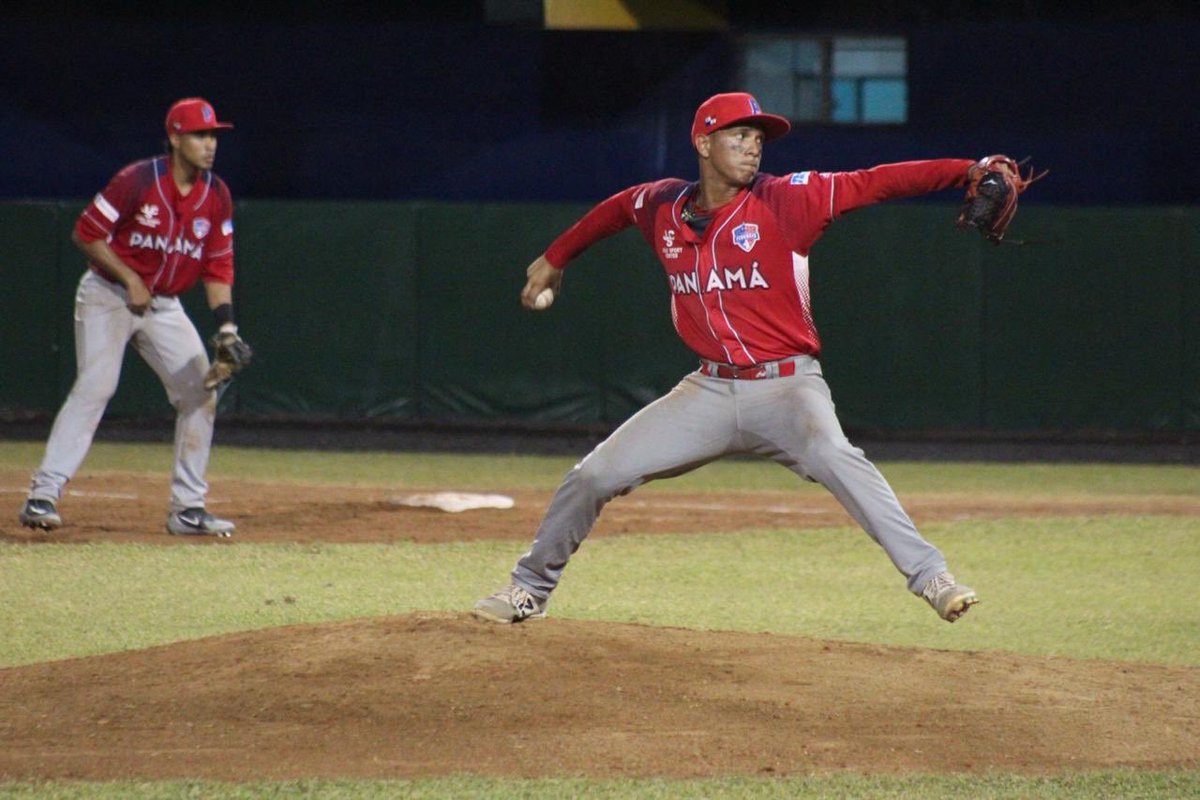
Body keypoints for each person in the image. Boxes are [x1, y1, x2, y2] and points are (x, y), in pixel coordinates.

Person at [475, 92, 984, 624]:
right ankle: (528, 589)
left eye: (758, 139)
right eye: (738, 136)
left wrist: (965, 171)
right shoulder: (663, 207)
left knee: (838, 458)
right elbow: (620, 207)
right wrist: (556, 256)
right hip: (708, 392)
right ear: (703, 142)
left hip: (788, 388)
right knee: (593, 475)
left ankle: (934, 578)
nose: (752, 148)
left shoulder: (787, 200)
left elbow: (875, 180)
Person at [18, 97, 251, 537]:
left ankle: (187, 508)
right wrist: (128, 278)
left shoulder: (216, 195)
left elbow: (218, 266)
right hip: (108, 294)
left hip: (164, 305)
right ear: (175, 138)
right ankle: (42, 495)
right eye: (200, 134)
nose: (210, 144)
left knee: (200, 393)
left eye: (213, 135)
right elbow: (86, 233)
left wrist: (226, 326)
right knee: (96, 386)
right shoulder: (138, 180)